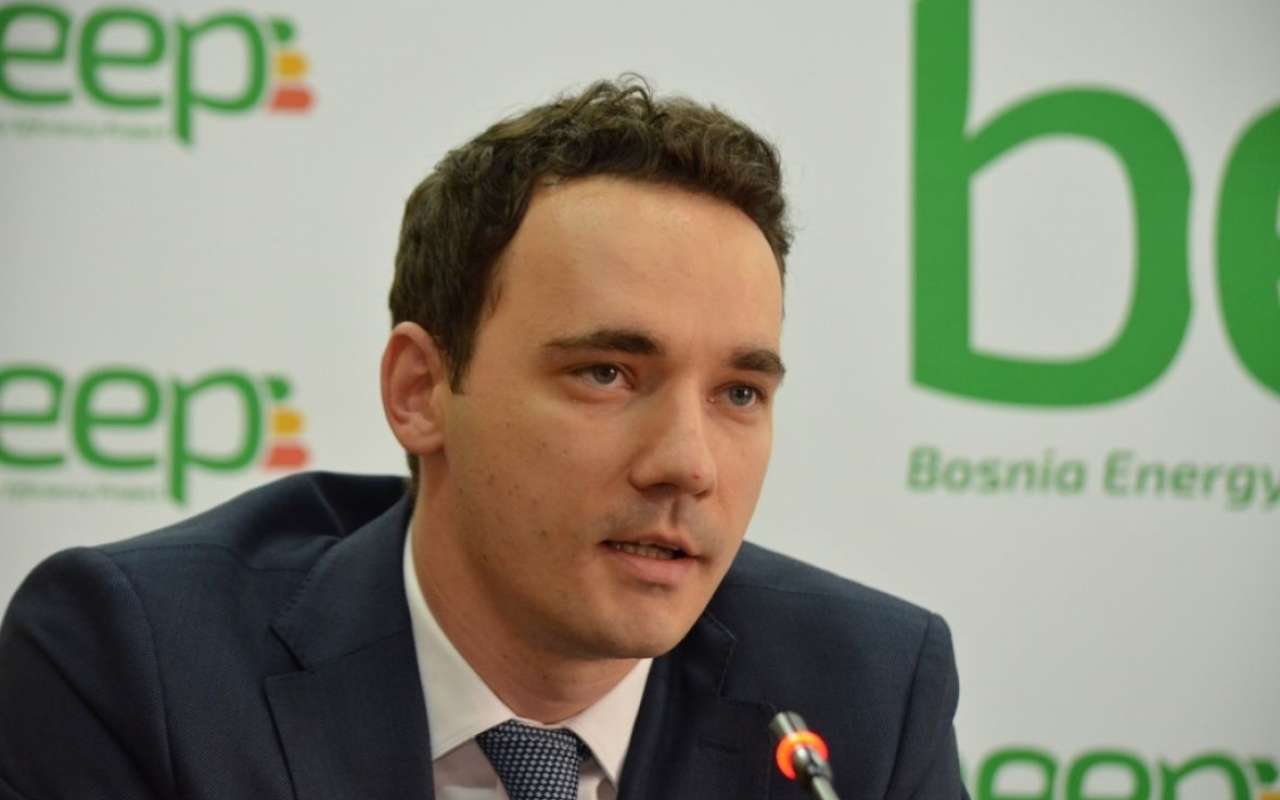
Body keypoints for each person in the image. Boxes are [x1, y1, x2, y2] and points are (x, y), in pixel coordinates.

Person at [0, 78, 967, 799]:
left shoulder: (866, 692)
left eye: (740, 393)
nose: (688, 463)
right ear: (420, 391)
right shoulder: (138, 662)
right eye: (606, 373)